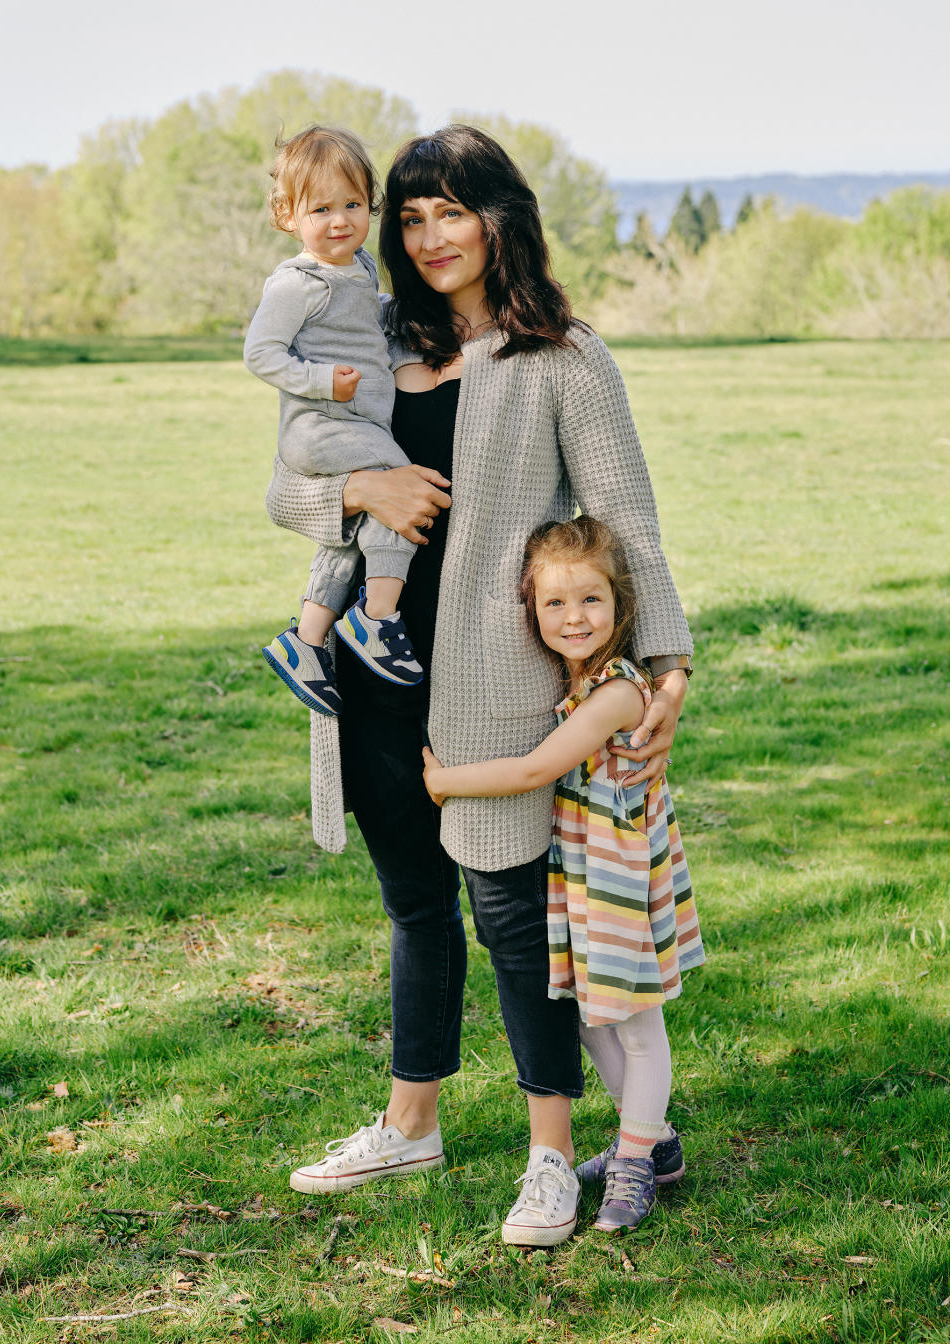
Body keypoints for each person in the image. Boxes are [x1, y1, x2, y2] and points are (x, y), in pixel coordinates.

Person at [271, 125, 695, 1247]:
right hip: (373, 673)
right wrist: (361, 483)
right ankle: (413, 1121)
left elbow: (627, 521)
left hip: (497, 686)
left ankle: (551, 1158)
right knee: (414, 904)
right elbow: (289, 491)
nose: (427, 237)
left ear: (498, 216)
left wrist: (669, 666)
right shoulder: (366, 338)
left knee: (513, 921)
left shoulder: (561, 355)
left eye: (449, 211)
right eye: (408, 219)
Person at [421, 517, 705, 1233]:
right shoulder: (573, 678)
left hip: (616, 874)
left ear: (620, 606)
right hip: (580, 873)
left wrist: (445, 781)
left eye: (591, 601)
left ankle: (635, 1161)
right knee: (586, 1014)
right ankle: (655, 1140)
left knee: (636, 1023)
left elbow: (536, 769)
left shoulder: (616, 691)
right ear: (531, 607)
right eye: (554, 604)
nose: (574, 618)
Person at [243, 125, 424, 716]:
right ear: (287, 213)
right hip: (321, 427)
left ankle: (308, 637)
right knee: (401, 489)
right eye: (321, 208)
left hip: (349, 426)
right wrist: (322, 381)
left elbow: (364, 320)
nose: (340, 220)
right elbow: (260, 352)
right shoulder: (298, 283)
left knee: (348, 529)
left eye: (352, 204)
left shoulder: (357, 268)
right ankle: (378, 619)